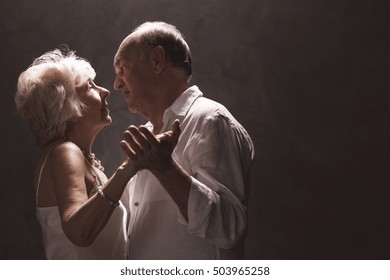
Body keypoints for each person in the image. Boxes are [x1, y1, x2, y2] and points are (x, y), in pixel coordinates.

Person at [15, 47, 179, 259]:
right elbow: (79, 232)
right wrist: (129, 168)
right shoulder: (65, 152)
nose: (105, 91)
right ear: (68, 106)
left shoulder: (79, 158)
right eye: (90, 86)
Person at [113, 21, 255, 259]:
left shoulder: (211, 120)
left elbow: (228, 229)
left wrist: (166, 169)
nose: (117, 84)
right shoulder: (145, 137)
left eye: (123, 69)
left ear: (157, 60)